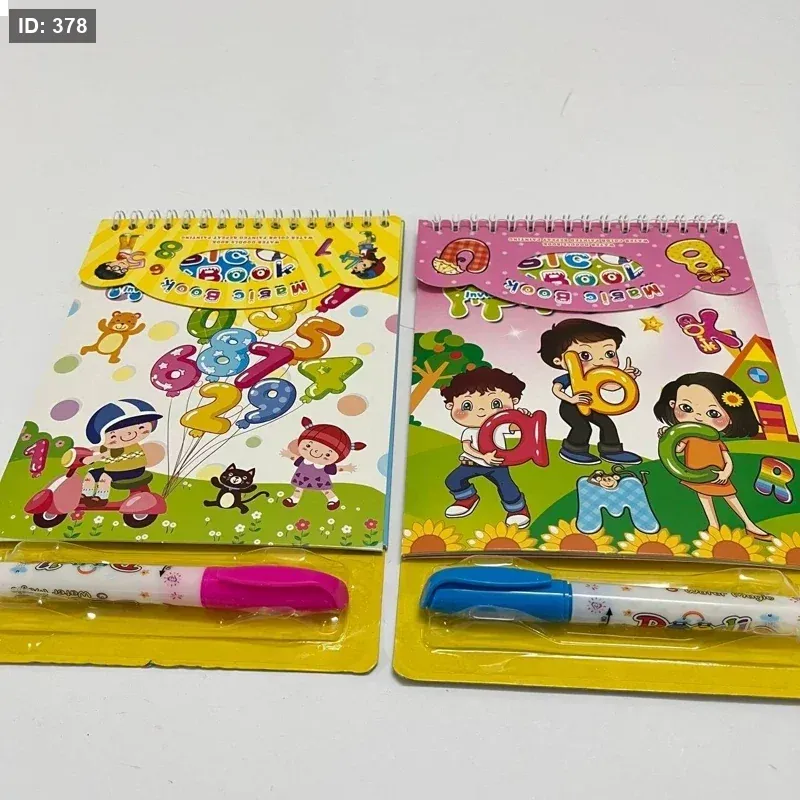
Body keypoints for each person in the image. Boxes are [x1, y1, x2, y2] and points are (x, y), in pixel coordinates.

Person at [654, 371, 769, 539]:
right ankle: (713, 526)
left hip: (717, 474)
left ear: (731, 417)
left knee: (731, 497)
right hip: (696, 474)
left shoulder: (714, 438)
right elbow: (677, 450)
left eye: (713, 413)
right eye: (686, 408)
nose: (698, 417)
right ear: (673, 404)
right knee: (704, 498)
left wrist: (725, 473)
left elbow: (727, 459)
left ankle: (749, 524)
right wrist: (666, 438)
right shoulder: (687, 436)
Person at [539, 317, 641, 465]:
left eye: (609, 354)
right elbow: (557, 389)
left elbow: (612, 386)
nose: (600, 361)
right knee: (583, 427)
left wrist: (627, 378)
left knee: (607, 425)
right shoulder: (571, 377)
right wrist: (572, 399)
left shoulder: (599, 375)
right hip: (571, 407)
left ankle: (612, 451)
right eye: (585, 355)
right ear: (559, 361)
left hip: (593, 404)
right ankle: (573, 450)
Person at [440, 366, 531, 528]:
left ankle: (517, 510)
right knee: (453, 480)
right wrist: (482, 456)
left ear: (514, 401)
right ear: (450, 405)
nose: (481, 411)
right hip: (470, 464)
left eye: (496, 403)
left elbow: (517, 428)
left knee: (507, 488)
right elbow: (467, 448)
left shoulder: (500, 426)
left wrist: (522, 418)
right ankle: (466, 499)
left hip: (497, 465)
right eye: (467, 405)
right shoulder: (469, 431)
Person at [82, 399, 163, 506]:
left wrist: (94, 458)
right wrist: (93, 450)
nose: (129, 434)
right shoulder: (113, 446)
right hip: (116, 469)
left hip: (133, 469)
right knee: (91, 474)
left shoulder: (122, 447)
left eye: (140, 427)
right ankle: (85, 495)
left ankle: (101, 498)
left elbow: (108, 454)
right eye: (113, 435)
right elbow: (104, 449)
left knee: (104, 477)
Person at [280, 417, 365, 511]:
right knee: (299, 488)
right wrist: (289, 455)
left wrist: (346, 468)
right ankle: (294, 499)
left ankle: (333, 500)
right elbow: (295, 458)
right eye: (308, 445)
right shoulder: (304, 460)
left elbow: (337, 469)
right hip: (302, 477)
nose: (315, 452)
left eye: (328, 454)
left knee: (326, 490)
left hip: (319, 479)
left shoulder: (326, 466)